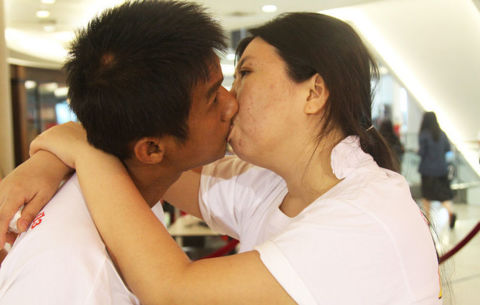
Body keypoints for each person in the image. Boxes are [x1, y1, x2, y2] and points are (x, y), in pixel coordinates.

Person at [0, 12, 442, 305]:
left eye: (245, 73)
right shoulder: (272, 186)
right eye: (223, 85)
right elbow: (152, 160)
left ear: (314, 92)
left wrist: (76, 148)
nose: (231, 99)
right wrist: (53, 156)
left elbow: (173, 289)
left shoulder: (363, 215)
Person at [0, 1, 236, 304]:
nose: (232, 105)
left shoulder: (126, 192)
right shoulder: (78, 274)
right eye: (213, 98)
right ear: (151, 149)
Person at [418, 111, 456, 228]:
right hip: (441, 170)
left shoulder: (423, 134)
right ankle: (451, 212)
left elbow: (422, 152)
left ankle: (428, 220)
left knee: (426, 196)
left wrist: (418, 151)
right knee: (443, 195)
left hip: (427, 170)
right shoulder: (442, 134)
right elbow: (447, 150)